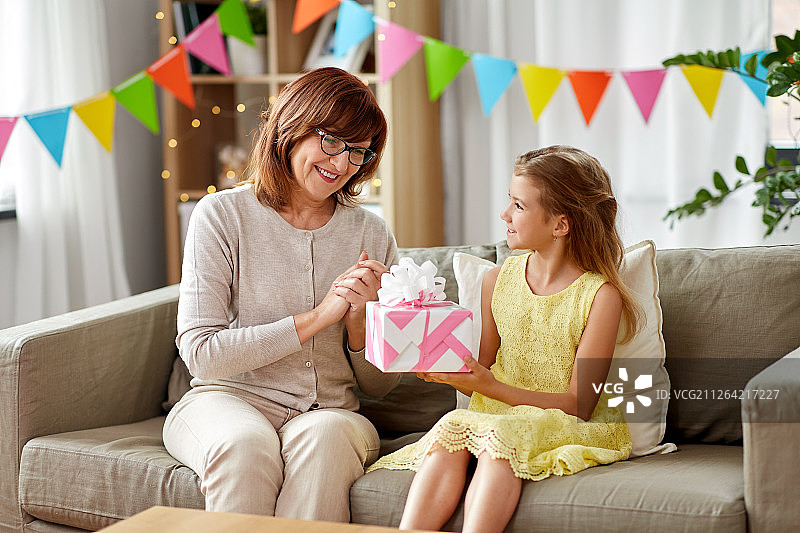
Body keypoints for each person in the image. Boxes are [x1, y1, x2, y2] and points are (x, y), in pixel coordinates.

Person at [163, 67, 401, 522]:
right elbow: (201, 354)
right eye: (331, 141)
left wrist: (358, 327)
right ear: (293, 127)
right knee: (244, 445)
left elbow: (381, 386)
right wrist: (320, 317)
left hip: (329, 412)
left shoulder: (371, 233)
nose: (342, 164)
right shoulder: (221, 214)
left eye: (358, 151)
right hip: (225, 400)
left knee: (327, 438)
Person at [367, 145, 643, 533]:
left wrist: (489, 386)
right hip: (496, 413)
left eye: (519, 205)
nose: (505, 214)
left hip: (562, 420)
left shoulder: (599, 296)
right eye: (509, 201)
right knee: (451, 427)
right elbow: (481, 369)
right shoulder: (497, 280)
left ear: (560, 225)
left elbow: (580, 404)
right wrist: (443, 369)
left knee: (499, 439)